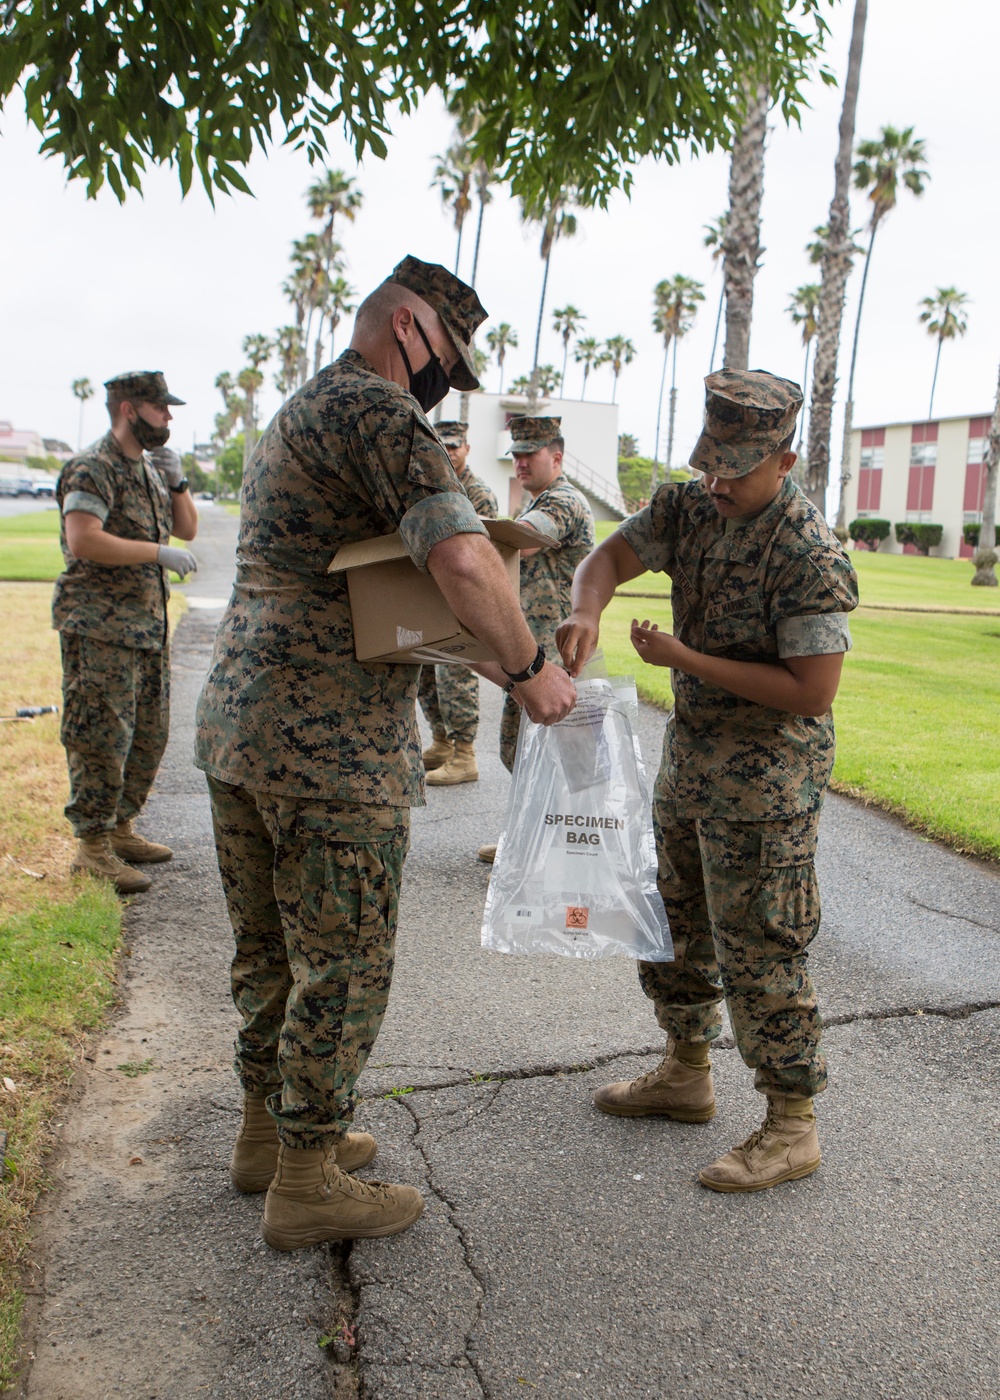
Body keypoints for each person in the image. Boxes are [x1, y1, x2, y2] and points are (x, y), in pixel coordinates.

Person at [194, 256, 576, 1250]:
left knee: (269, 951)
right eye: (446, 356)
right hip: (328, 746)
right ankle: (307, 1180)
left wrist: (497, 661)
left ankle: (267, 1137)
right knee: (344, 961)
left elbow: (387, 594)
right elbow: (460, 557)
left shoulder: (306, 406)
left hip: (242, 725)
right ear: (408, 326)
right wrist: (531, 669)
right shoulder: (378, 409)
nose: (445, 381)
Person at [557, 369, 859, 1193]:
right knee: (675, 920)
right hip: (692, 761)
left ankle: (792, 1124)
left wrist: (684, 658)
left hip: (767, 783)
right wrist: (586, 607)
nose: (716, 483)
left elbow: (812, 691)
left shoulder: (807, 553)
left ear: (785, 461)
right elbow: (607, 558)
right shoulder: (690, 506)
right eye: (708, 463)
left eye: (736, 469)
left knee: (760, 944)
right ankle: (685, 1071)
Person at [53, 370, 198, 895]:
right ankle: (92, 847)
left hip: (145, 627)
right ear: (129, 409)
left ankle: (119, 827)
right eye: (160, 407)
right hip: (99, 627)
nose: (168, 416)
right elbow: (84, 539)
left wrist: (178, 483)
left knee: (148, 735)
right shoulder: (92, 467)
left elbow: (187, 529)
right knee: (100, 737)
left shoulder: (150, 470)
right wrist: (156, 553)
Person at [477, 414, 595, 862]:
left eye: (531, 454)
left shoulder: (563, 500)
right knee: (524, 751)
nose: (521, 462)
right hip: (536, 651)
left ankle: (553, 852)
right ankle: (533, 840)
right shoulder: (541, 500)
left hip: (556, 656)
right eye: (517, 455)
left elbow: (522, 541)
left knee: (554, 757)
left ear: (557, 457)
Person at [419, 419, 498, 786]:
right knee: (425, 669)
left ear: (467, 448)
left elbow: (483, 553)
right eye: (443, 445)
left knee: (455, 671)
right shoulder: (429, 487)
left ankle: (465, 753)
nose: (449, 452)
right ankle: (441, 742)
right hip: (430, 597)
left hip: (464, 599)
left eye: (454, 445)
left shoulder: (477, 493)